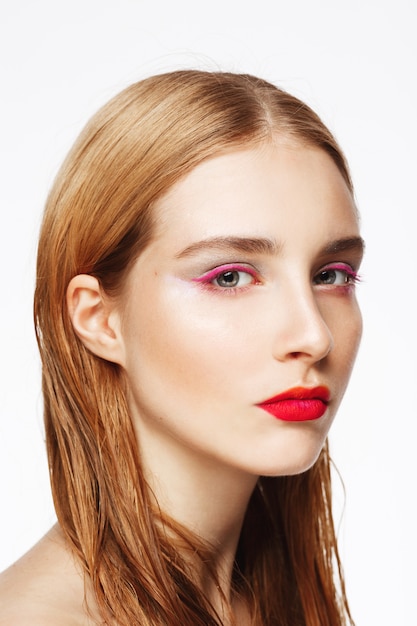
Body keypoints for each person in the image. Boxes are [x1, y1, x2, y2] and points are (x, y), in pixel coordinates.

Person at [0, 69, 364, 626]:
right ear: (100, 320)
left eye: (331, 274)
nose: (313, 336)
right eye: (229, 278)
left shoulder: (277, 604)